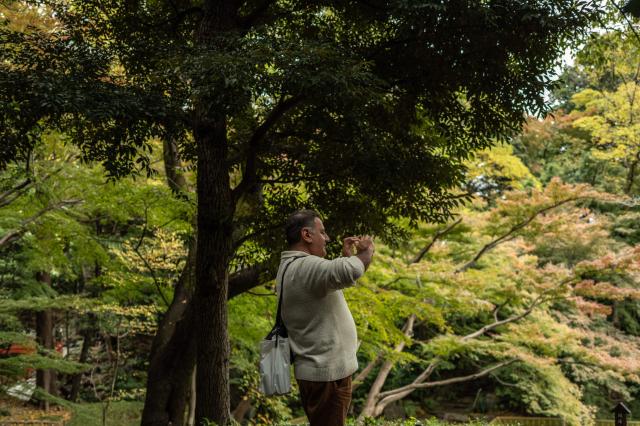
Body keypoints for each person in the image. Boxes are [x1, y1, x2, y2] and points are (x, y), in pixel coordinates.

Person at [277, 209, 375, 426]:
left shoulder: (292, 267)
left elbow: (334, 276)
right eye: (322, 232)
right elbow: (349, 272)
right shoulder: (304, 266)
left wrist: (348, 257)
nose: (327, 238)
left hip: (322, 373)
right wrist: (366, 251)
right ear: (306, 235)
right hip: (326, 375)